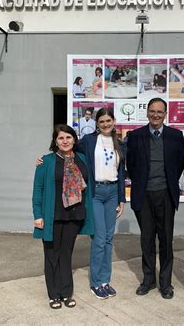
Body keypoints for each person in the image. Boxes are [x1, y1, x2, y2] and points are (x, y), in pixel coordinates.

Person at [126, 97, 184, 299]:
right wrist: (143, 182)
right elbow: (131, 166)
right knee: (147, 239)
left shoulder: (175, 136)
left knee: (166, 240)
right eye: (152, 111)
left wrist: (166, 183)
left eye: (160, 112)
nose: (156, 115)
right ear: (147, 112)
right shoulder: (135, 136)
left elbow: (179, 165)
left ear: (165, 114)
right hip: (143, 195)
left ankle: (166, 283)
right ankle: (149, 280)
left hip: (166, 194)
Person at [32, 125, 94, 309]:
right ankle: (54, 294)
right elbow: (38, 190)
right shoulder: (46, 161)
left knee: (66, 255)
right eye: (61, 138)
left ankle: (66, 293)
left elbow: (88, 185)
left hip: (74, 215)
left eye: (68, 137)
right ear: (55, 141)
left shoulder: (81, 158)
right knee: (52, 255)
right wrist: (38, 215)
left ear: (74, 139)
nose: (65, 141)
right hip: (53, 214)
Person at [76, 108, 126, 299]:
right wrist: (46, 159)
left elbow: (120, 172)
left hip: (112, 192)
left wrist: (121, 198)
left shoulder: (119, 144)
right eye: (102, 121)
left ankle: (105, 281)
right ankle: (96, 283)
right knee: (99, 238)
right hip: (95, 192)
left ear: (114, 121)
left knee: (108, 239)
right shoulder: (88, 141)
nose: (106, 124)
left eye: (108, 120)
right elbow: (68, 149)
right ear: (97, 123)